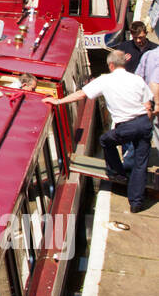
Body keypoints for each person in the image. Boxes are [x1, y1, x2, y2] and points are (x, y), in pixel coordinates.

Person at [44, 50, 155, 212]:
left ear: (111, 65)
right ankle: (136, 203)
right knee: (140, 164)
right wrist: (147, 124)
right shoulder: (137, 79)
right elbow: (148, 105)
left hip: (126, 126)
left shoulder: (105, 80)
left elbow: (82, 94)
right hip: (143, 123)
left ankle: (118, 172)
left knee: (105, 140)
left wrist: (59, 101)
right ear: (124, 64)